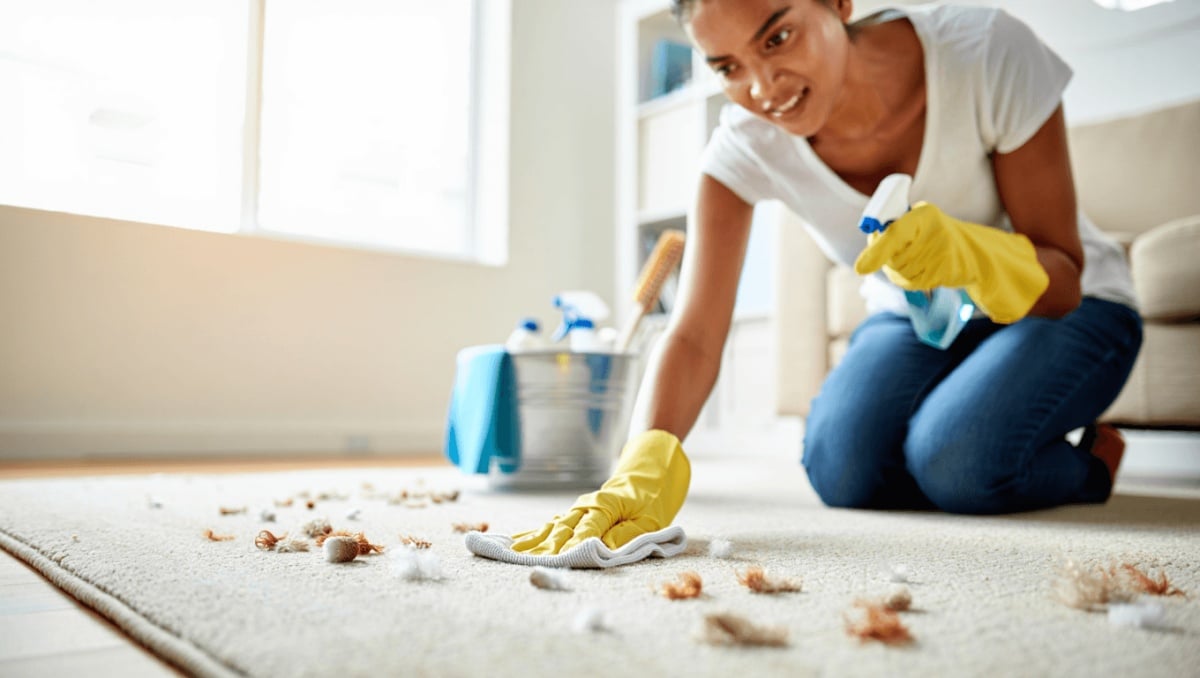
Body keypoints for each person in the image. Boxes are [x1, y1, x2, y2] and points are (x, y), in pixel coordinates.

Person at [509, 0, 1142, 555]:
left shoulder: (985, 52)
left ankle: (1089, 466)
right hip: (916, 320)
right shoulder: (746, 144)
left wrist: (976, 255)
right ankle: (966, 424)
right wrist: (639, 463)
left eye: (777, 38)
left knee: (959, 463)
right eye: (727, 67)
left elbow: (1063, 278)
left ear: (838, 2)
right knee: (840, 468)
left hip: (1071, 311)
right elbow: (695, 332)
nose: (762, 88)